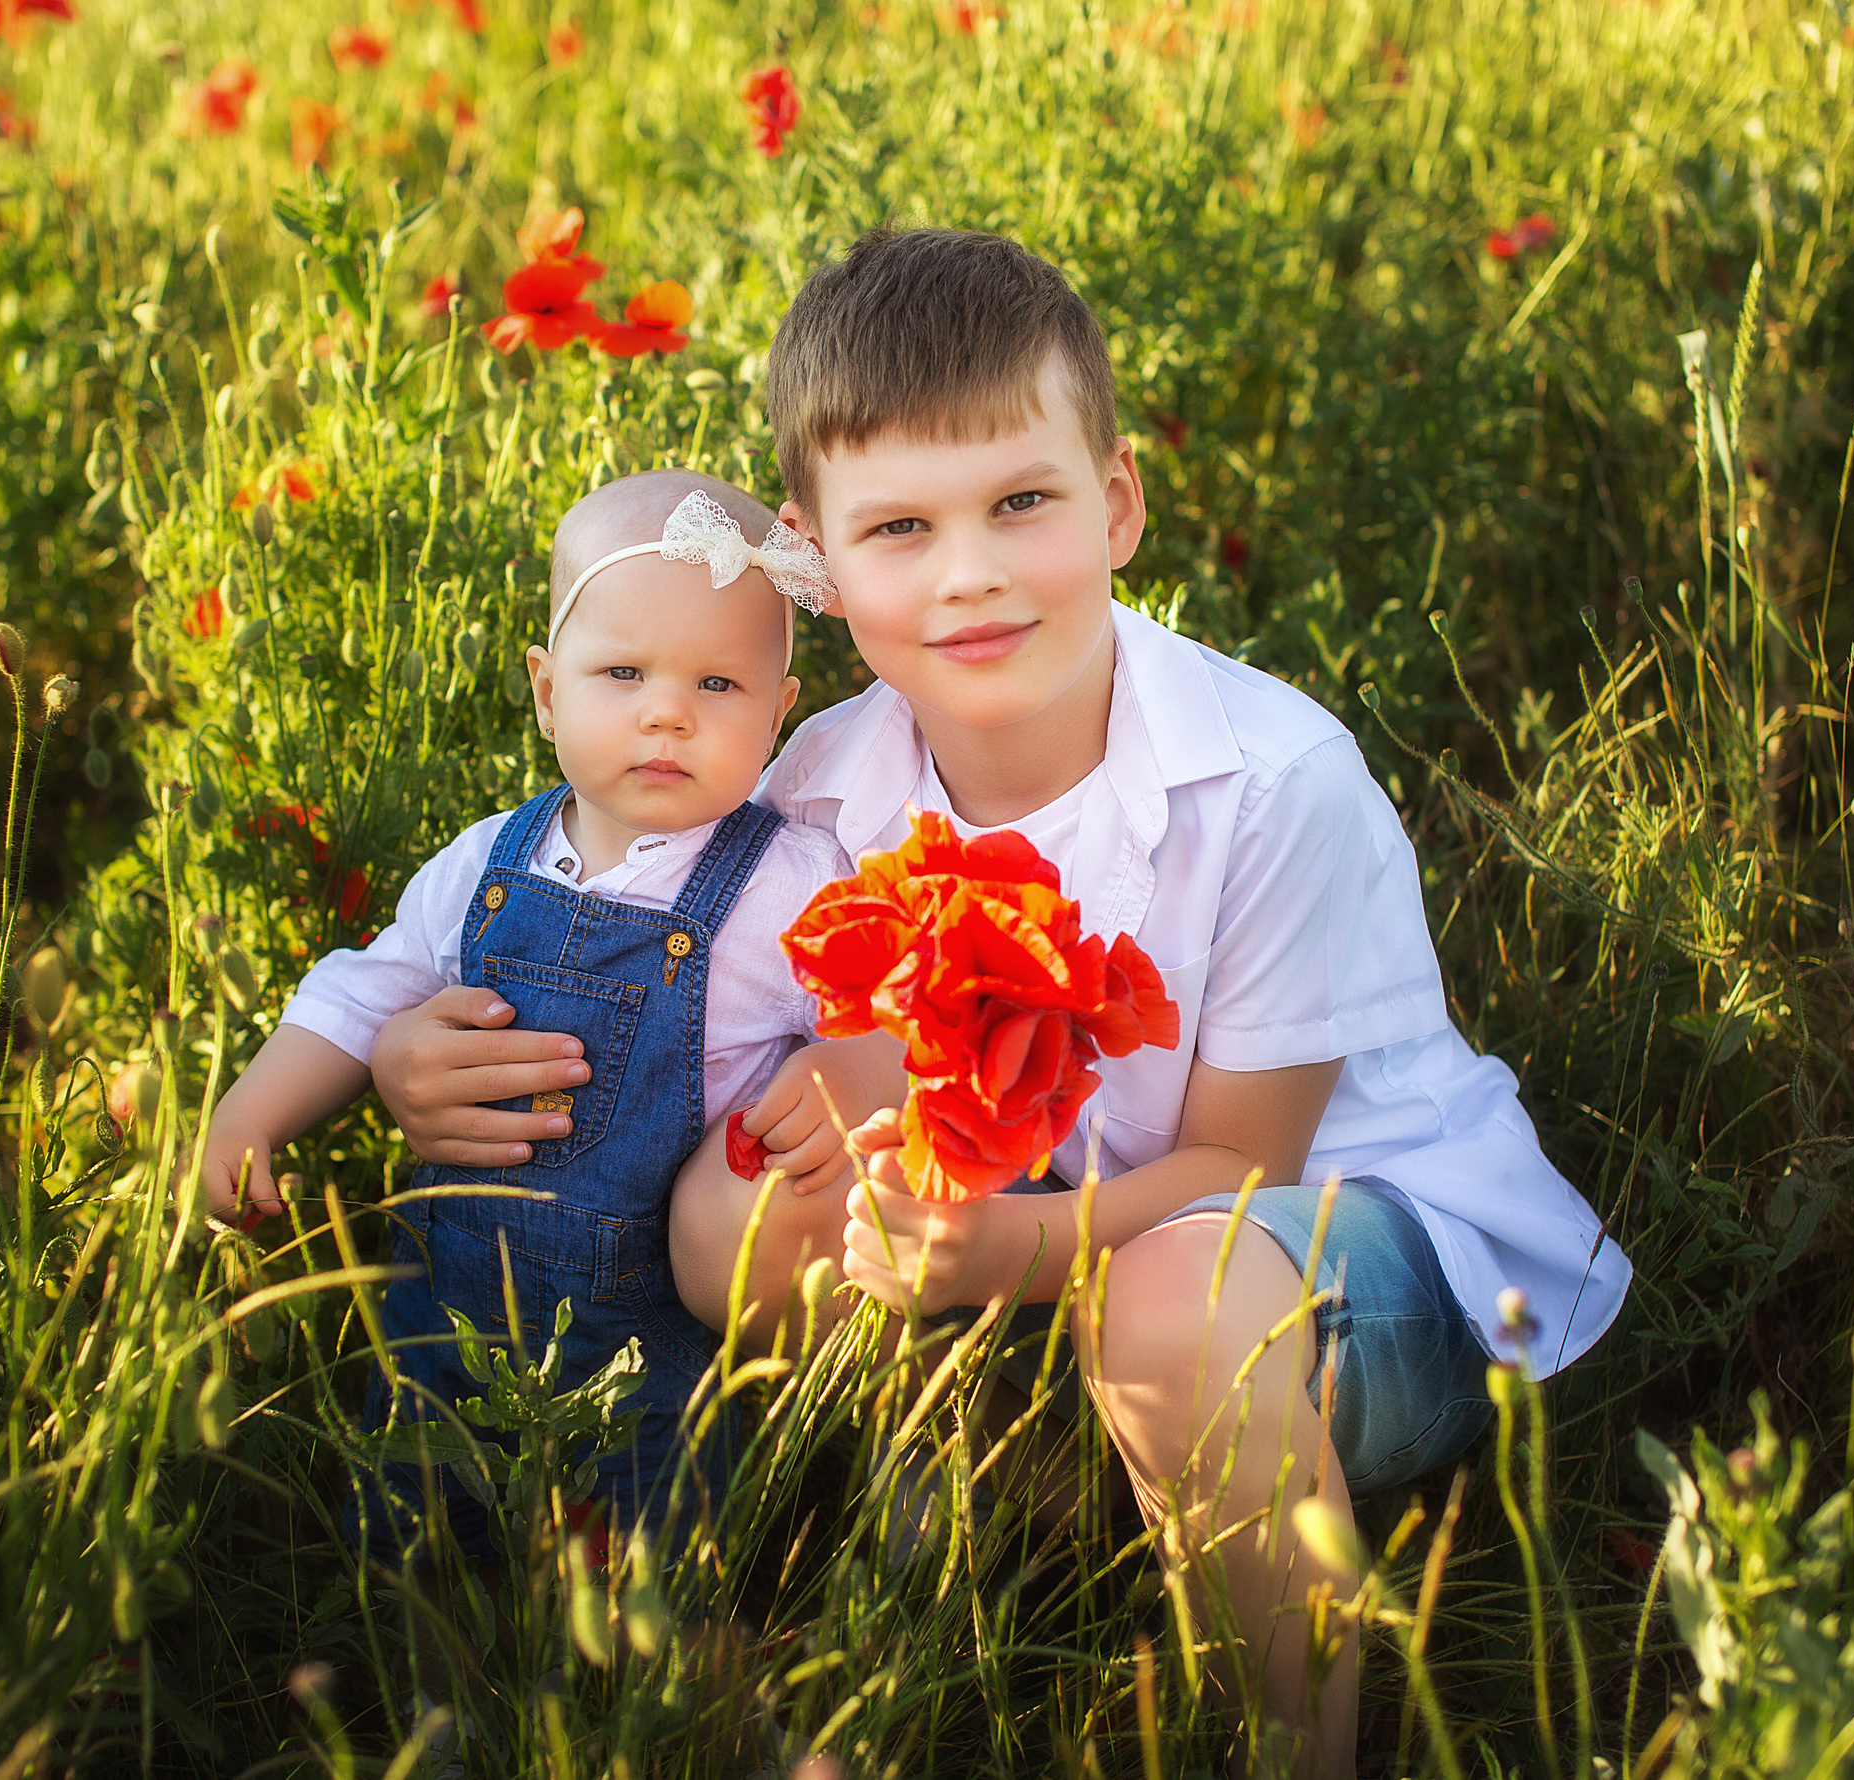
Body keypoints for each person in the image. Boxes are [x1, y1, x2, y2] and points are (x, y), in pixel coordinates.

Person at [366, 229, 1631, 1775]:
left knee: (1173, 1303)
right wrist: (426, 1038)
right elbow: (639, 939)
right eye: (899, 525)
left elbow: (1243, 1172)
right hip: (1039, 1237)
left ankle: (1298, 1736)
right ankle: (1013, 1474)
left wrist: (1005, 1243)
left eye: (1020, 503)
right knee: (721, 1219)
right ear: (814, 563)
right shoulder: (828, 785)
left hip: (1347, 1264)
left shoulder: (1270, 782)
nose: (967, 573)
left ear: (1115, 503)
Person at [199, 468, 854, 1551]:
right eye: (623, 671)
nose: (666, 711)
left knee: (650, 1583)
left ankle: (690, 1706)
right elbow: (367, 993)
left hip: (645, 1348)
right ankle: (431, 1705)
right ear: (549, 691)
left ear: (780, 713)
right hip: (441, 1316)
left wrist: (858, 1060)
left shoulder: (791, 885)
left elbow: (881, 1019)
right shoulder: (486, 862)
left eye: (720, 687)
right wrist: (252, 1115)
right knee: (413, 1550)